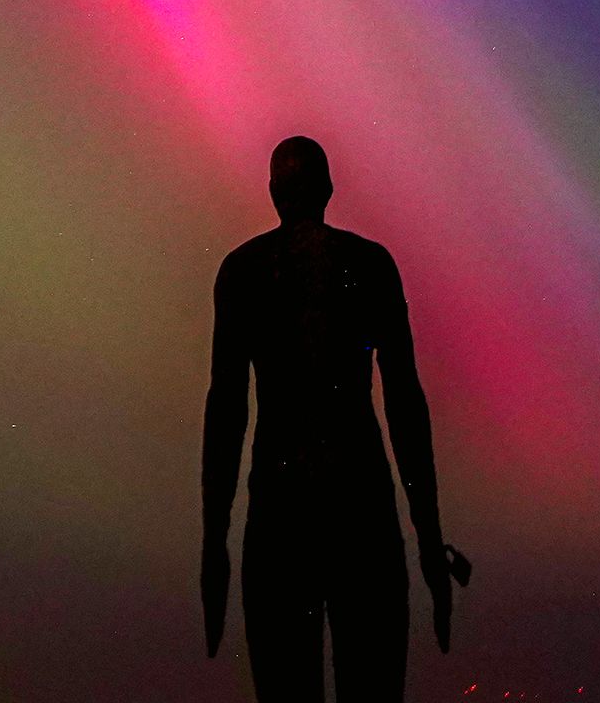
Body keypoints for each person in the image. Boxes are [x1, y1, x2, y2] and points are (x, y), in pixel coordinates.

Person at [201, 135, 470, 703]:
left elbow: (227, 409)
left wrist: (214, 541)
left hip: (279, 512)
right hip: (361, 508)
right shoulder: (369, 265)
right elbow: (404, 402)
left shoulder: (244, 272)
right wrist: (428, 535)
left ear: (274, 193)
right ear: (328, 189)